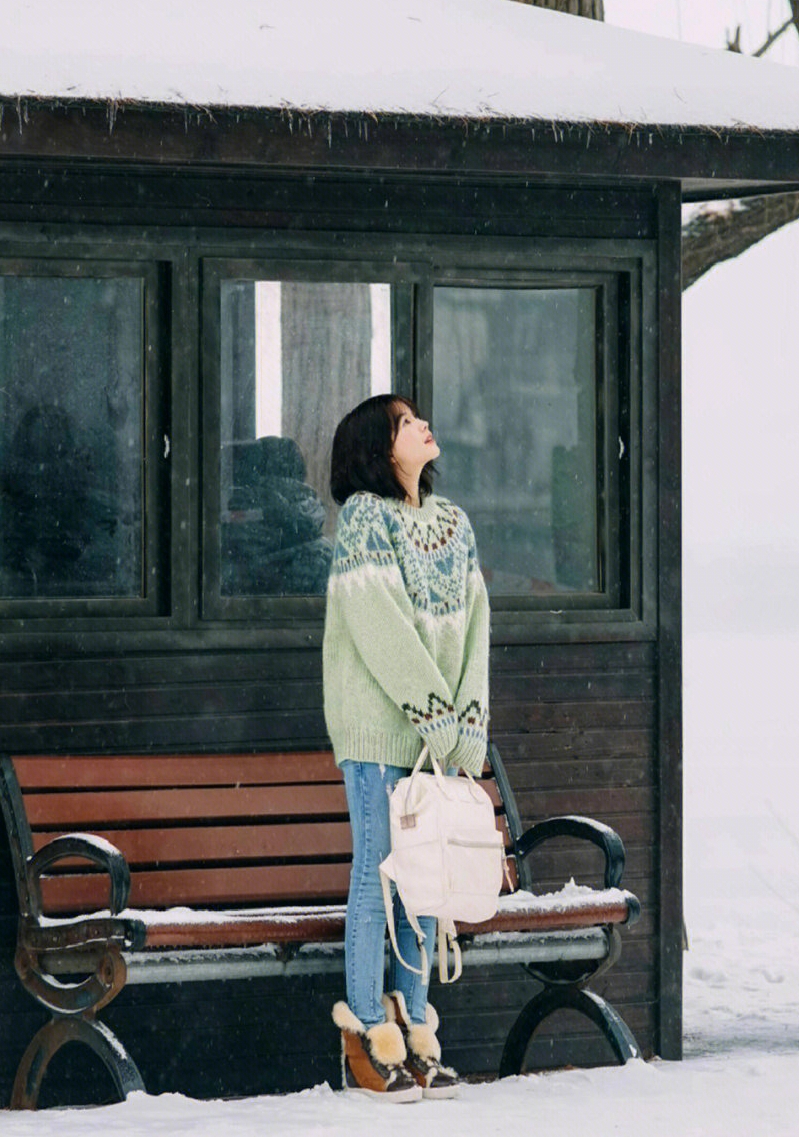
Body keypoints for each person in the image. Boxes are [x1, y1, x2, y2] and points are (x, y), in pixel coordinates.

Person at [323, 394, 490, 1101]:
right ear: (378, 448)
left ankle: (416, 1033)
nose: (423, 424)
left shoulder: (454, 523)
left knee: (424, 883)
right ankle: (367, 1034)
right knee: (378, 876)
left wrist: (468, 723)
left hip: (436, 736)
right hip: (377, 730)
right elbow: (378, 623)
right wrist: (436, 714)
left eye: (419, 416)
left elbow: (476, 624)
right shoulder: (364, 517)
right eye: (404, 422)